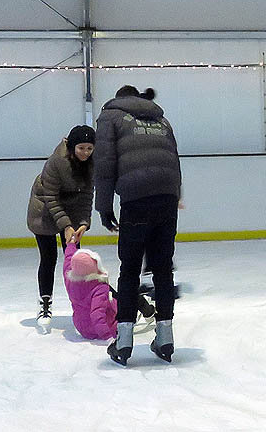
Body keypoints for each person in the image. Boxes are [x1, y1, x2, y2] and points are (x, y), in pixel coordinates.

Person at [94, 86, 182, 365]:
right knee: (163, 268)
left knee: (130, 269)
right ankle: (165, 337)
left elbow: (104, 165)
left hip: (136, 199)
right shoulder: (161, 119)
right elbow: (174, 161)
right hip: (167, 197)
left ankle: (124, 340)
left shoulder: (111, 116)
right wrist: (173, 196)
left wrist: (104, 207)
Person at [27, 125, 95, 333]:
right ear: (73, 146)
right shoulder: (57, 161)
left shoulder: (92, 163)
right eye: (81, 148)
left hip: (72, 209)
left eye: (89, 148)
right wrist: (66, 226)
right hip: (45, 210)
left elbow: (86, 195)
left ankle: (81, 305)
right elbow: (51, 198)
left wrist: (83, 222)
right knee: (49, 258)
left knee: (76, 260)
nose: (85, 153)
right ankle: (44, 304)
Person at [62, 244, 155, 341]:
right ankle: (148, 311)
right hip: (107, 327)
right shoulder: (99, 288)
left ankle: (147, 310)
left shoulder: (70, 281)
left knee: (118, 297)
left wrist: (71, 243)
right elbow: (97, 315)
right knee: (131, 296)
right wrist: (108, 337)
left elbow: (68, 261)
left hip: (82, 328)